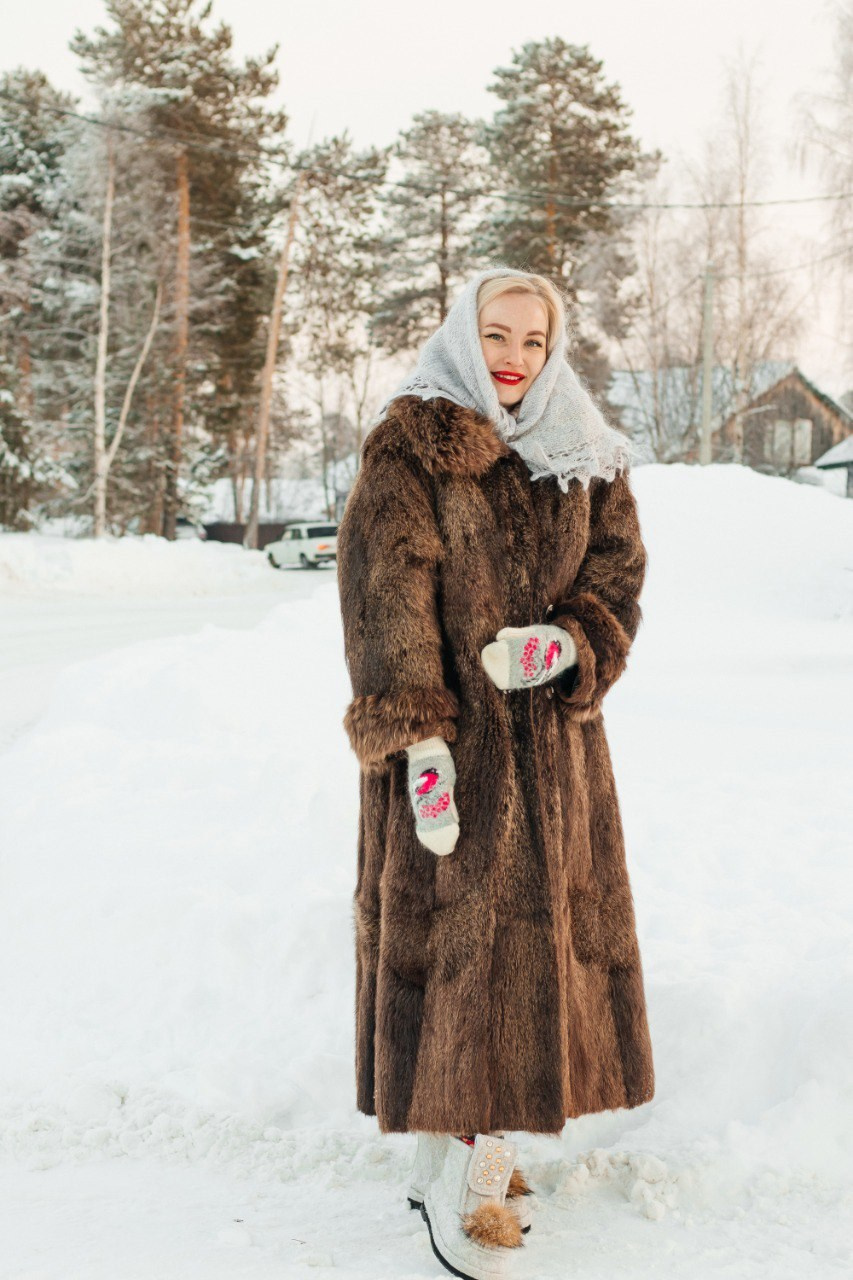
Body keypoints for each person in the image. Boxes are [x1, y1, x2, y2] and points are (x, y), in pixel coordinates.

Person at [336, 266, 655, 1280]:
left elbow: (617, 572)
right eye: (497, 334)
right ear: (462, 337)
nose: (515, 356)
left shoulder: (584, 449)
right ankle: (461, 1176)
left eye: (533, 338)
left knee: (534, 952)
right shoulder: (413, 440)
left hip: (555, 752)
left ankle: (467, 1147)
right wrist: (419, 738)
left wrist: (572, 642)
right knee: (457, 952)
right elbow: (382, 589)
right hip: (451, 751)